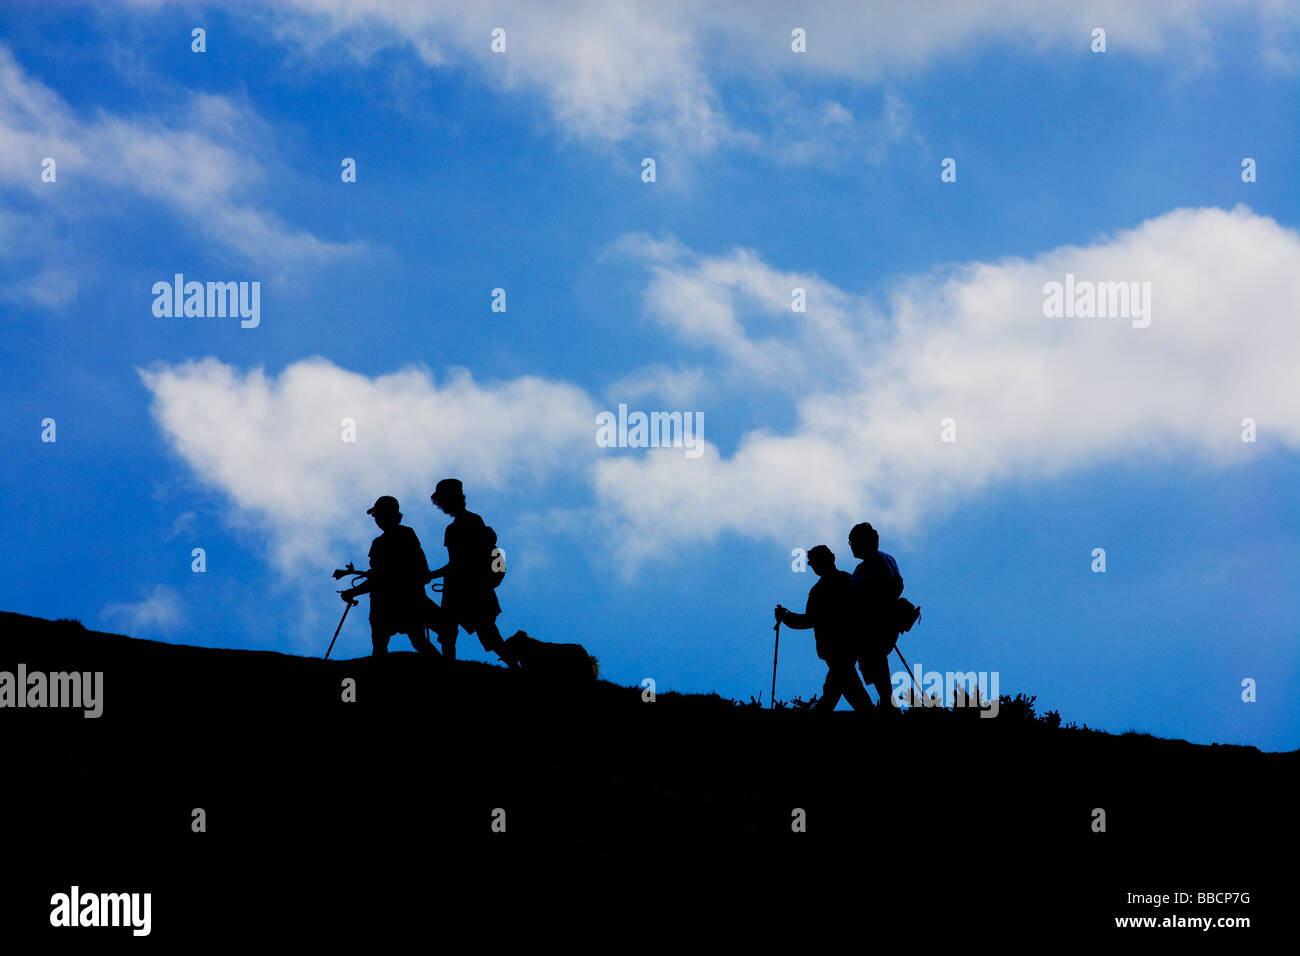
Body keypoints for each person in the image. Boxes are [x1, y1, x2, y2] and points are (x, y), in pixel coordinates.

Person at [774, 545, 875, 712]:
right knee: (842, 687)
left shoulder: (820, 590)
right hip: (850, 646)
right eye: (812, 563)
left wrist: (787, 617)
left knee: (840, 688)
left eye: (814, 563)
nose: (814, 566)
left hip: (836, 648)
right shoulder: (849, 580)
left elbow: (809, 620)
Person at [340, 495, 439, 657]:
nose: (377, 519)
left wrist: (354, 592)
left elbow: (378, 578)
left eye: (378, 515)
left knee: (384, 644)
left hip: (391, 602)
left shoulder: (384, 542)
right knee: (417, 641)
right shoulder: (402, 536)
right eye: (376, 516)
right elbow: (421, 569)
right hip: (406, 599)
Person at [428, 478, 509, 665]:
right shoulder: (472, 521)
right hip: (468, 588)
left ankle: (513, 665)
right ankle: (513, 666)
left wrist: (431, 575)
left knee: (471, 632)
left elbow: (456, 563)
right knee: (480, 632)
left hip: (466, 588)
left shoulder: (458, 527)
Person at [848, 522, 903, 714]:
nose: (851, 546)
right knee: (875, 661)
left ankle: (887, 704)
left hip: (875, 623)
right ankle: (887, 703)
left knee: (872, 660)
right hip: (881, 621)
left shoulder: (874, 563)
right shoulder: (885, 560)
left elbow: (887, 588)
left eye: (853, 542)